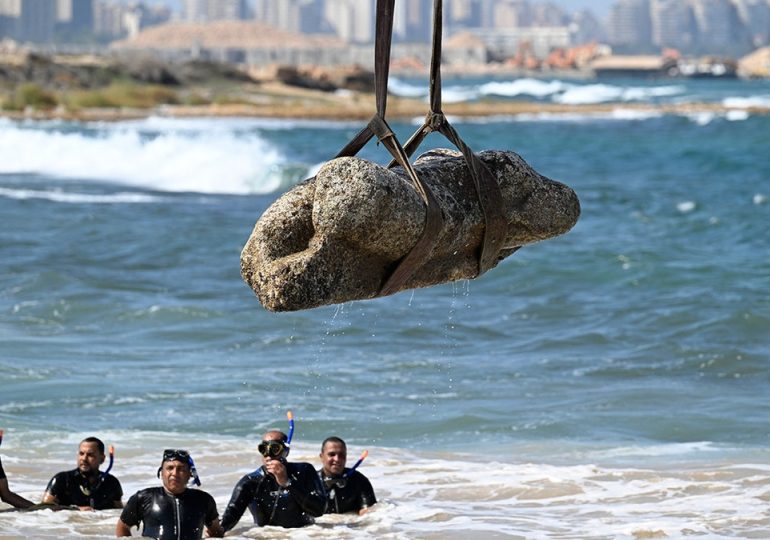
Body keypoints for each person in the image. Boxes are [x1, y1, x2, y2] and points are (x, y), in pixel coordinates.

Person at [220, 430, 326, 531]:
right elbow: (231, 516)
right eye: (263, 449)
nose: (268, 455)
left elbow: (319, 510)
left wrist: (287, 482)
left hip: (305, 534)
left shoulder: (304, 471)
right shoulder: (251, 482)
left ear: (286, 451)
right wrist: (218, 530)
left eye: (275, 448)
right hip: (268, 535)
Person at [116, 449, 223, 539]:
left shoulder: (203, 500)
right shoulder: (143, 497)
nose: (175, 473)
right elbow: (122, 528)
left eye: (181, 469)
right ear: (161, 472)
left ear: (190, 474)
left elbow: (216, 532)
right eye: (170, 468)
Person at [42, 437, 122, 510]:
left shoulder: (112, 483)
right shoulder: (62, 479)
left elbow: (119, 513)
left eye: (90, 455)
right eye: (81, 454)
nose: (84, 458)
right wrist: (75, 509)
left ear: (102, 459)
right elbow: (43, 508)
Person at [318, 436, 376, 515]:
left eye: (341, 455)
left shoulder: (359, 480)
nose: (337, 459)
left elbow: (369, 513)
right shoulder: (310, 481)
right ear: (322, 457)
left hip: (350, 526)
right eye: (332, 454)